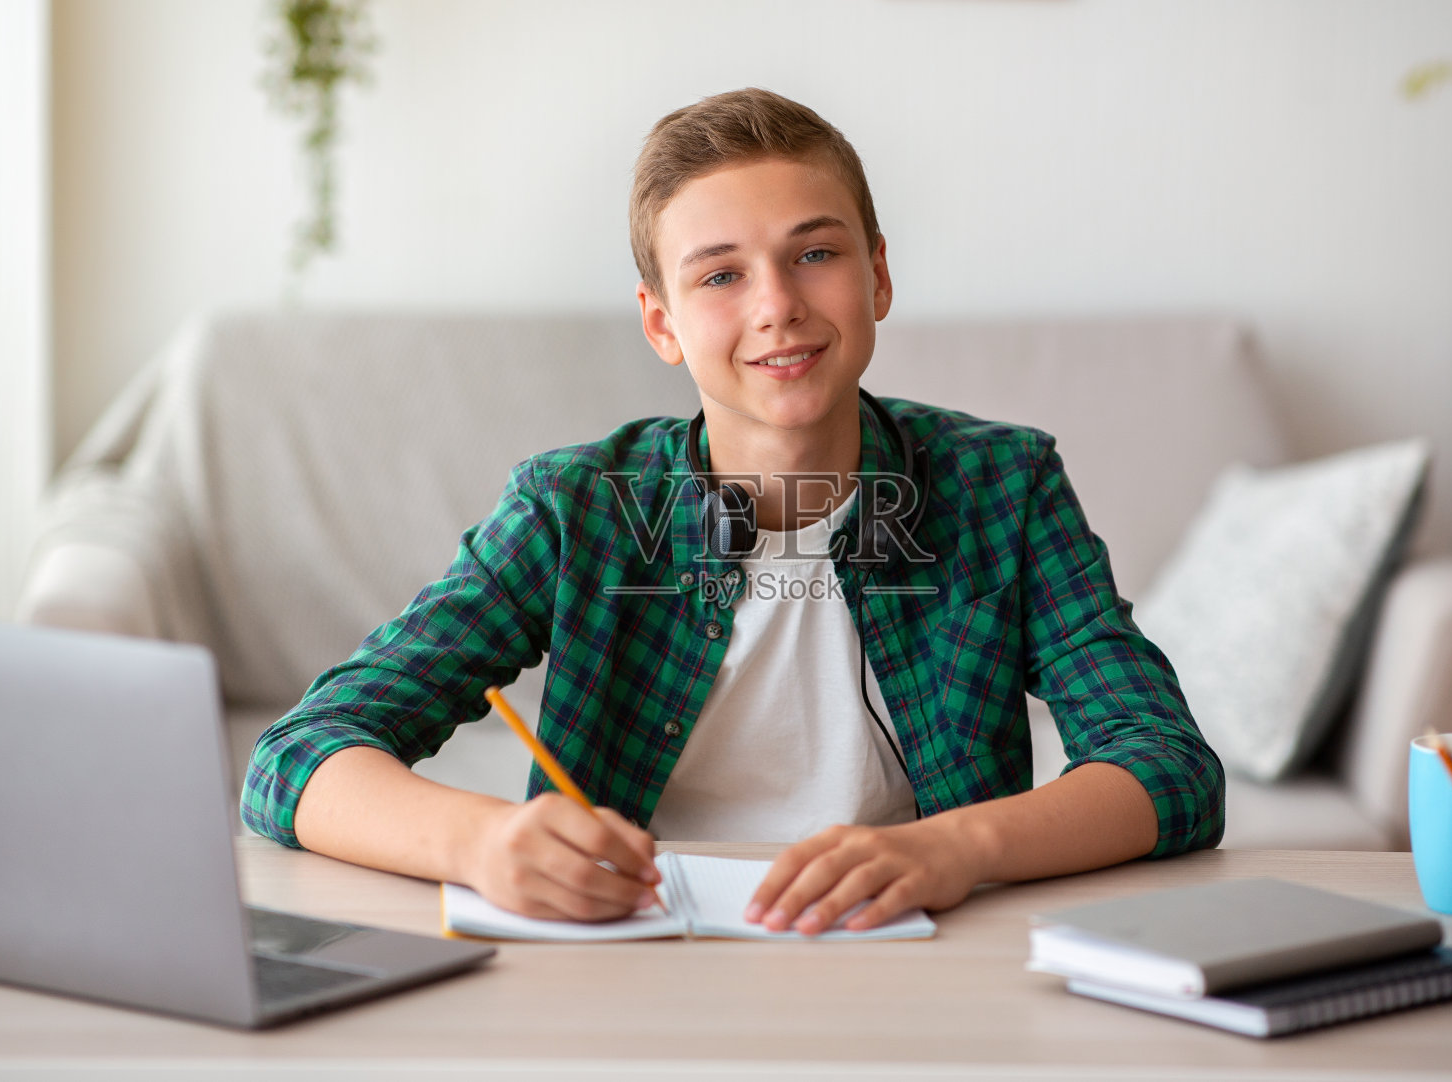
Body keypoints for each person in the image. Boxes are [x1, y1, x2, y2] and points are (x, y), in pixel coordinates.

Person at [242, 88, 1223, 936]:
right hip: (630, 964)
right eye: (720, 274)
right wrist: (484, 840)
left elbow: (1167, 764)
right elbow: (294, 758)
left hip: (914, 958)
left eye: (814, 254)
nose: (776, 306)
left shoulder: (1000, 486)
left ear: (877, 276)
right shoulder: (575, 508)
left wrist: (955, 846)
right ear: (661, 322)